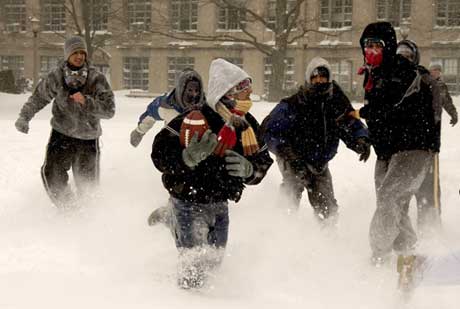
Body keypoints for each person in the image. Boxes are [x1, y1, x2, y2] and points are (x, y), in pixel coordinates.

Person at [150, 58, 273, 289]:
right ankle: (179, 301)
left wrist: (250, 171)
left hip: (220, 203)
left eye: (247, 89)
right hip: (187, 200)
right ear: (225, 93)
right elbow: (159, 153)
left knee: (214, 264)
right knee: (193, 272)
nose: (247, 96)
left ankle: (169, 218)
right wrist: (185, 158)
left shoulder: (248, 126)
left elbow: (263, 161)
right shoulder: (195, 118)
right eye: (241, 90)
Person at [349, 22, 441, 269]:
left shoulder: (402, 69)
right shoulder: (374, 73)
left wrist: (361, 113)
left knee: (390, 198)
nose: (372, 50)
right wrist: (368, 138)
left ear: (389, 47)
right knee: (390, 203)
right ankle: (407, 252)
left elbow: (391, 101)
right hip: (387, 151)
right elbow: (383, 115)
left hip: (413, 147)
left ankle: (378, 258)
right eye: (367, 45)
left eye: (377, 45)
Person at [260, 57, 370, 224]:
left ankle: (326, 239)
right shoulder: (294, 103)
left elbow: (350, 123)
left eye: (323, 76)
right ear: (308, 79)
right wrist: (286, 152)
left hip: (320, 163)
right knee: (290, 196)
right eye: (315, 77)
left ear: (329, 78)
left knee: (328, 209)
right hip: (293, 159)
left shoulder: (336, 101)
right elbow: (269, 131)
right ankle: (280, 233)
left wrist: (360, 139)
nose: (319, 80)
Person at [14, 36, 115, 208]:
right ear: (67, 54)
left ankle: (90, 219)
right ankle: (69, 210)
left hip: (87, 138)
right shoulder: (56, 76)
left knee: (88, 186)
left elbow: (109, 110)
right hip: (61, 135)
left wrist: (86, 101)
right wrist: (25, 117)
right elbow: (39, 98)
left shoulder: (96, 79)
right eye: (75, 52)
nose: (79, 56)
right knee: (51, 174)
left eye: (82, 53)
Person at [396, 40, 452, 234]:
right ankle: (402, 236)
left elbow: (436, 114)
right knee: (398, 195)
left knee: (427, 192)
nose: (403, 60)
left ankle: (430, 232)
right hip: (399, 149)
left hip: (424, 147)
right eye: (399, 56)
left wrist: (431, 145)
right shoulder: (390, 79)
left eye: (407, 56)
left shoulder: (427, 81)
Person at [129, 68, 204, 147]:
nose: (194, 94)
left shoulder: (205, 108)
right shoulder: (166, 105)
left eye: (196, 91)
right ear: (181, 89)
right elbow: (150, 115)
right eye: (189, 90)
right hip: (170, 149)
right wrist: (139, 131)